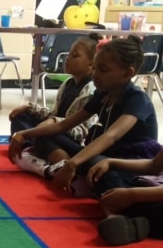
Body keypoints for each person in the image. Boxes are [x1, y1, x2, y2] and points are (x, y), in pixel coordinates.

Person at [8, 36, 162, 198]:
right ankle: (65, 172)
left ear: (127, 73)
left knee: (103, 172)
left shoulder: (137, 99)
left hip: (129, 163)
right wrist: (22, 134)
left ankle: (64, 172)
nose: (95, 75)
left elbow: (111, 136)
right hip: (104, 156)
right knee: (44, 135)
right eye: (94, 68)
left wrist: (73, 163)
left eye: (103, 70)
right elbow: (63, 125)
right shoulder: (102, 94)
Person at [87, 81, 163, 245]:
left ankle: (134, 219)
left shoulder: (137, 99)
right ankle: (140, 221)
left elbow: (111, 136)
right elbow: (155, 166)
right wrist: (110, 162)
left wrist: (132, 195)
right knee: (101, 166)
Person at [9, 34, 99, 175]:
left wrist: (53, 124)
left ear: (92, 64)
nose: (67, 58)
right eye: (69, 54)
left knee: (42, 137)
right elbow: (54, 114)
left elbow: (82, 130)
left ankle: (59, 166)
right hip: (57, 129)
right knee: (22, 118)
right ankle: (33, 150)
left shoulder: (91, 89)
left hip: (73, 139)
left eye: (75, 56)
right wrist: (29, 108)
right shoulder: (68, 84)